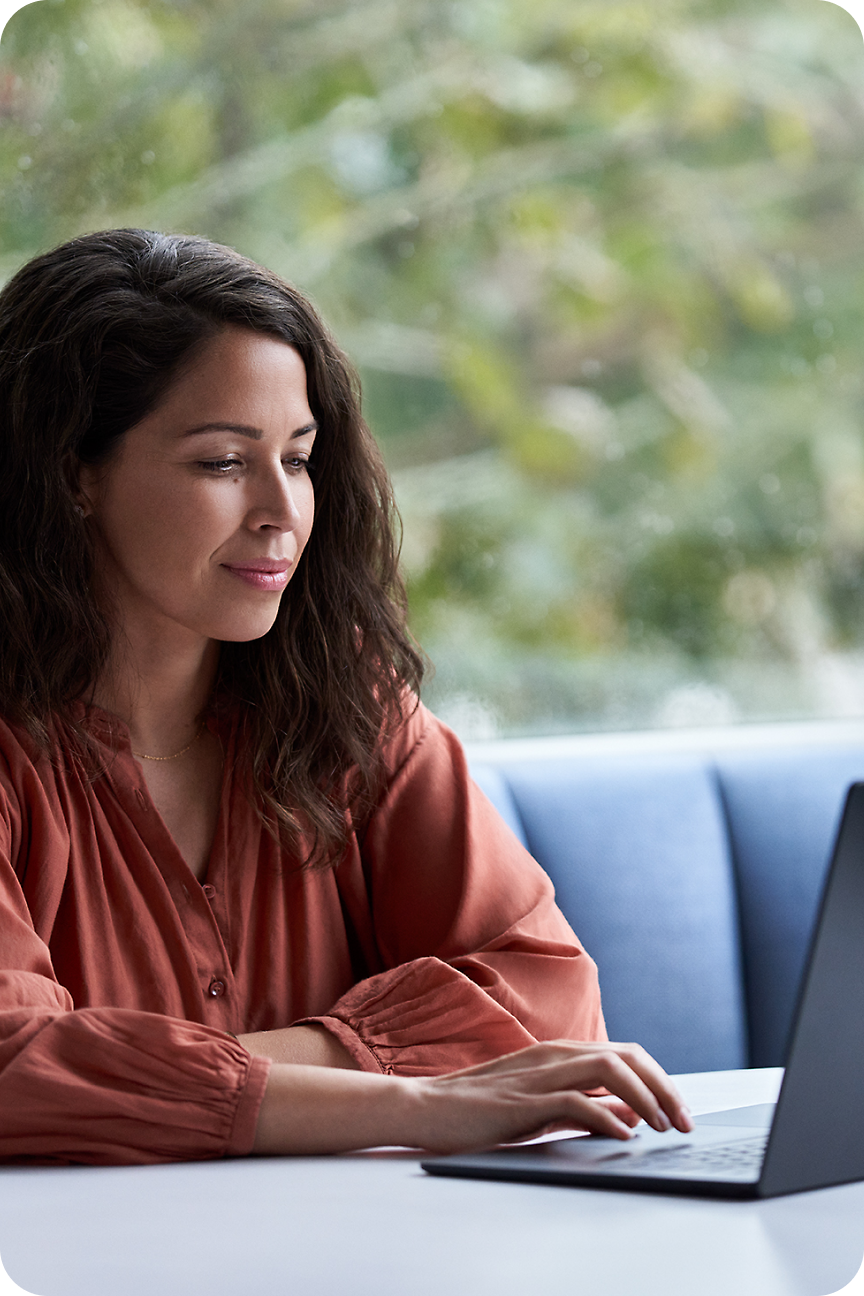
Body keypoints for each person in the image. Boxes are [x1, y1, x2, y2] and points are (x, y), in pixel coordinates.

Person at [0, 229, 691, 1164]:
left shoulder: (345, 703)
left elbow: (545, 993)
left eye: (298, 457)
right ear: (73, 474)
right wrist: (419, 1102)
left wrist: (168, 1080)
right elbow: (14, 1070)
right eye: (221, 462)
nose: (283, 511)